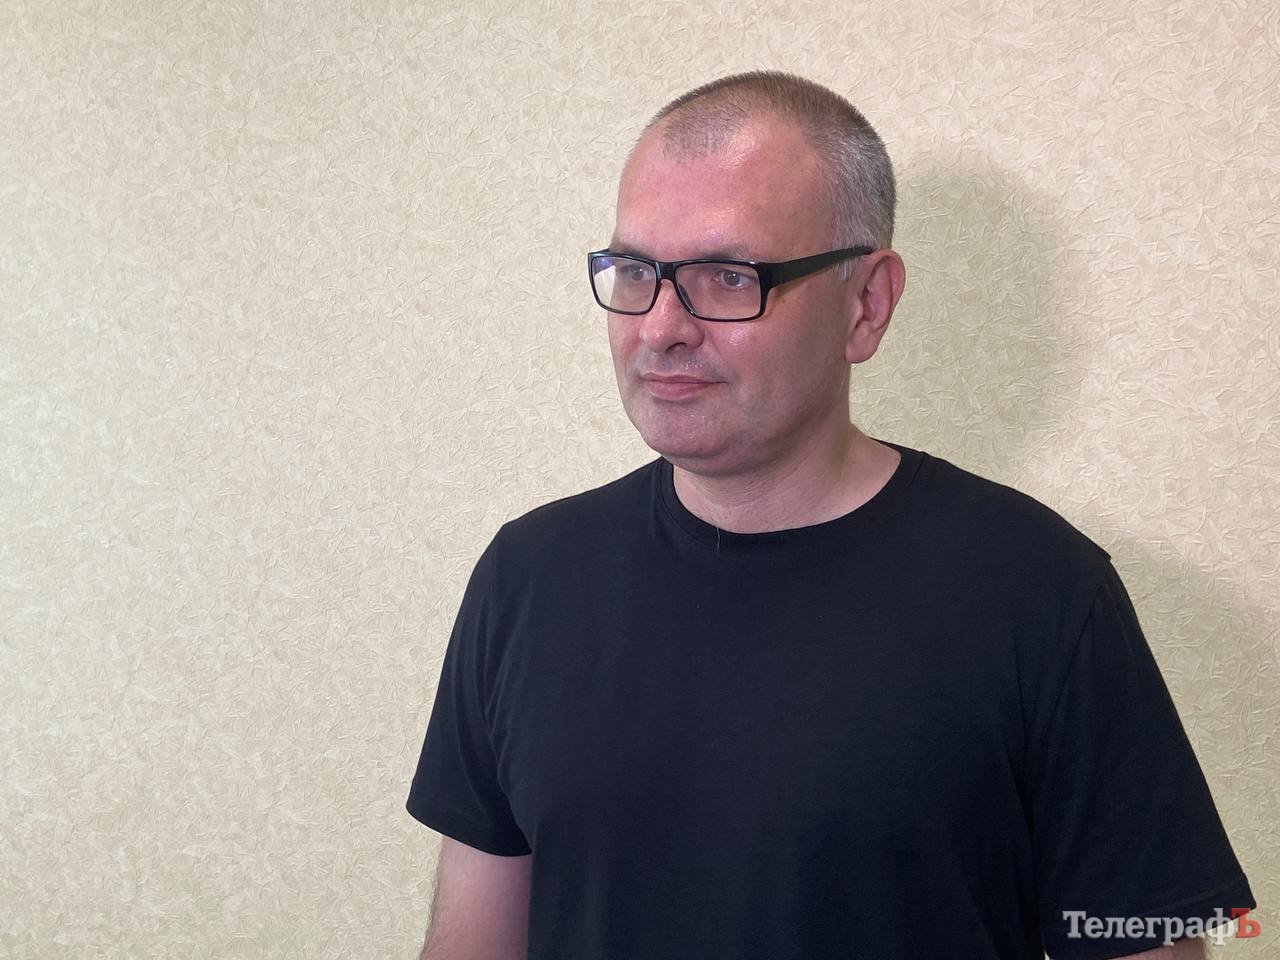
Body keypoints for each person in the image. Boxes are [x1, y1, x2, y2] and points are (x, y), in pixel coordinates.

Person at [406, 71, 1256, 960]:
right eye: (635, 271)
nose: (659, 328)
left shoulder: (1041, 591)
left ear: (866, 305)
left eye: (727, 276)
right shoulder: (529, 577)